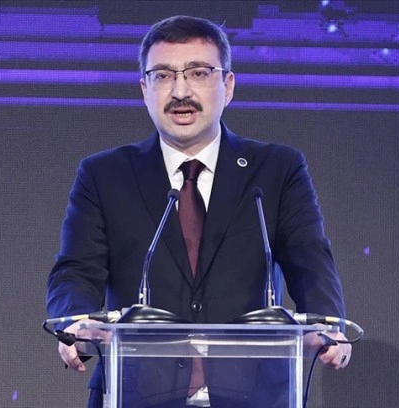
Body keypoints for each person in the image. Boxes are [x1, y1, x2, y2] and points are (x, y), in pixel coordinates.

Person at [46, 15, 352, 408]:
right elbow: (76, 270)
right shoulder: (105, 174)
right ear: (144, 89)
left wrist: (328, 323)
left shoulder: (276, 169)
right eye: (163, 75)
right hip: (137, 394)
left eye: (198, 73)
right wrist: (76, 321)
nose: (180, 91)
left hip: (254, 396)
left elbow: (309, 259)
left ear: (228, 85)